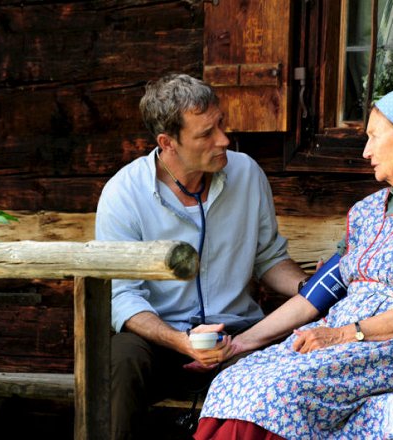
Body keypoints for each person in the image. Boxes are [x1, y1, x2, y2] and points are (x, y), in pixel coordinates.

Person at [194, 84, 393, 440]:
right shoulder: (368, 210)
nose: (366, 151)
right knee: (236, 378)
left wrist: (345, 334)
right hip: (345, 339)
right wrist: (242, 344)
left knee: (282, 391)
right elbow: (320, 291)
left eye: (374, 137)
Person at [94, 73, 309, 440]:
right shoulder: (123, 194)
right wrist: (181, 342)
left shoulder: (247, 174)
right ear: (168, 143)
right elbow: (122, 297)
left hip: (237, 336)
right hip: (161, 340)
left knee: (282, 367)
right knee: (120, 360)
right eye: (206, 133)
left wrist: (310, 287)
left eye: (221, 124)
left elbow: (269, 258)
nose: (223, 139)